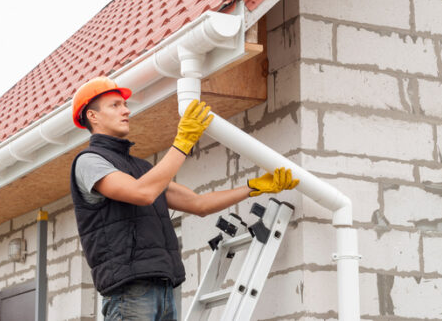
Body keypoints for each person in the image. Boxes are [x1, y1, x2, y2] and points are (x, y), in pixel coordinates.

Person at [69, 76, 299, 321]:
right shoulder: (89, 162)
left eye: (124, 105)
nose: (126, 110)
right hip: (129, 293)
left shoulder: (142, 169)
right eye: (115, 105)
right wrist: (183, 142)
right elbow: (141, 193)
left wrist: (254, 187)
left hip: (164, 289)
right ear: (92, 116)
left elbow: (198, 205)